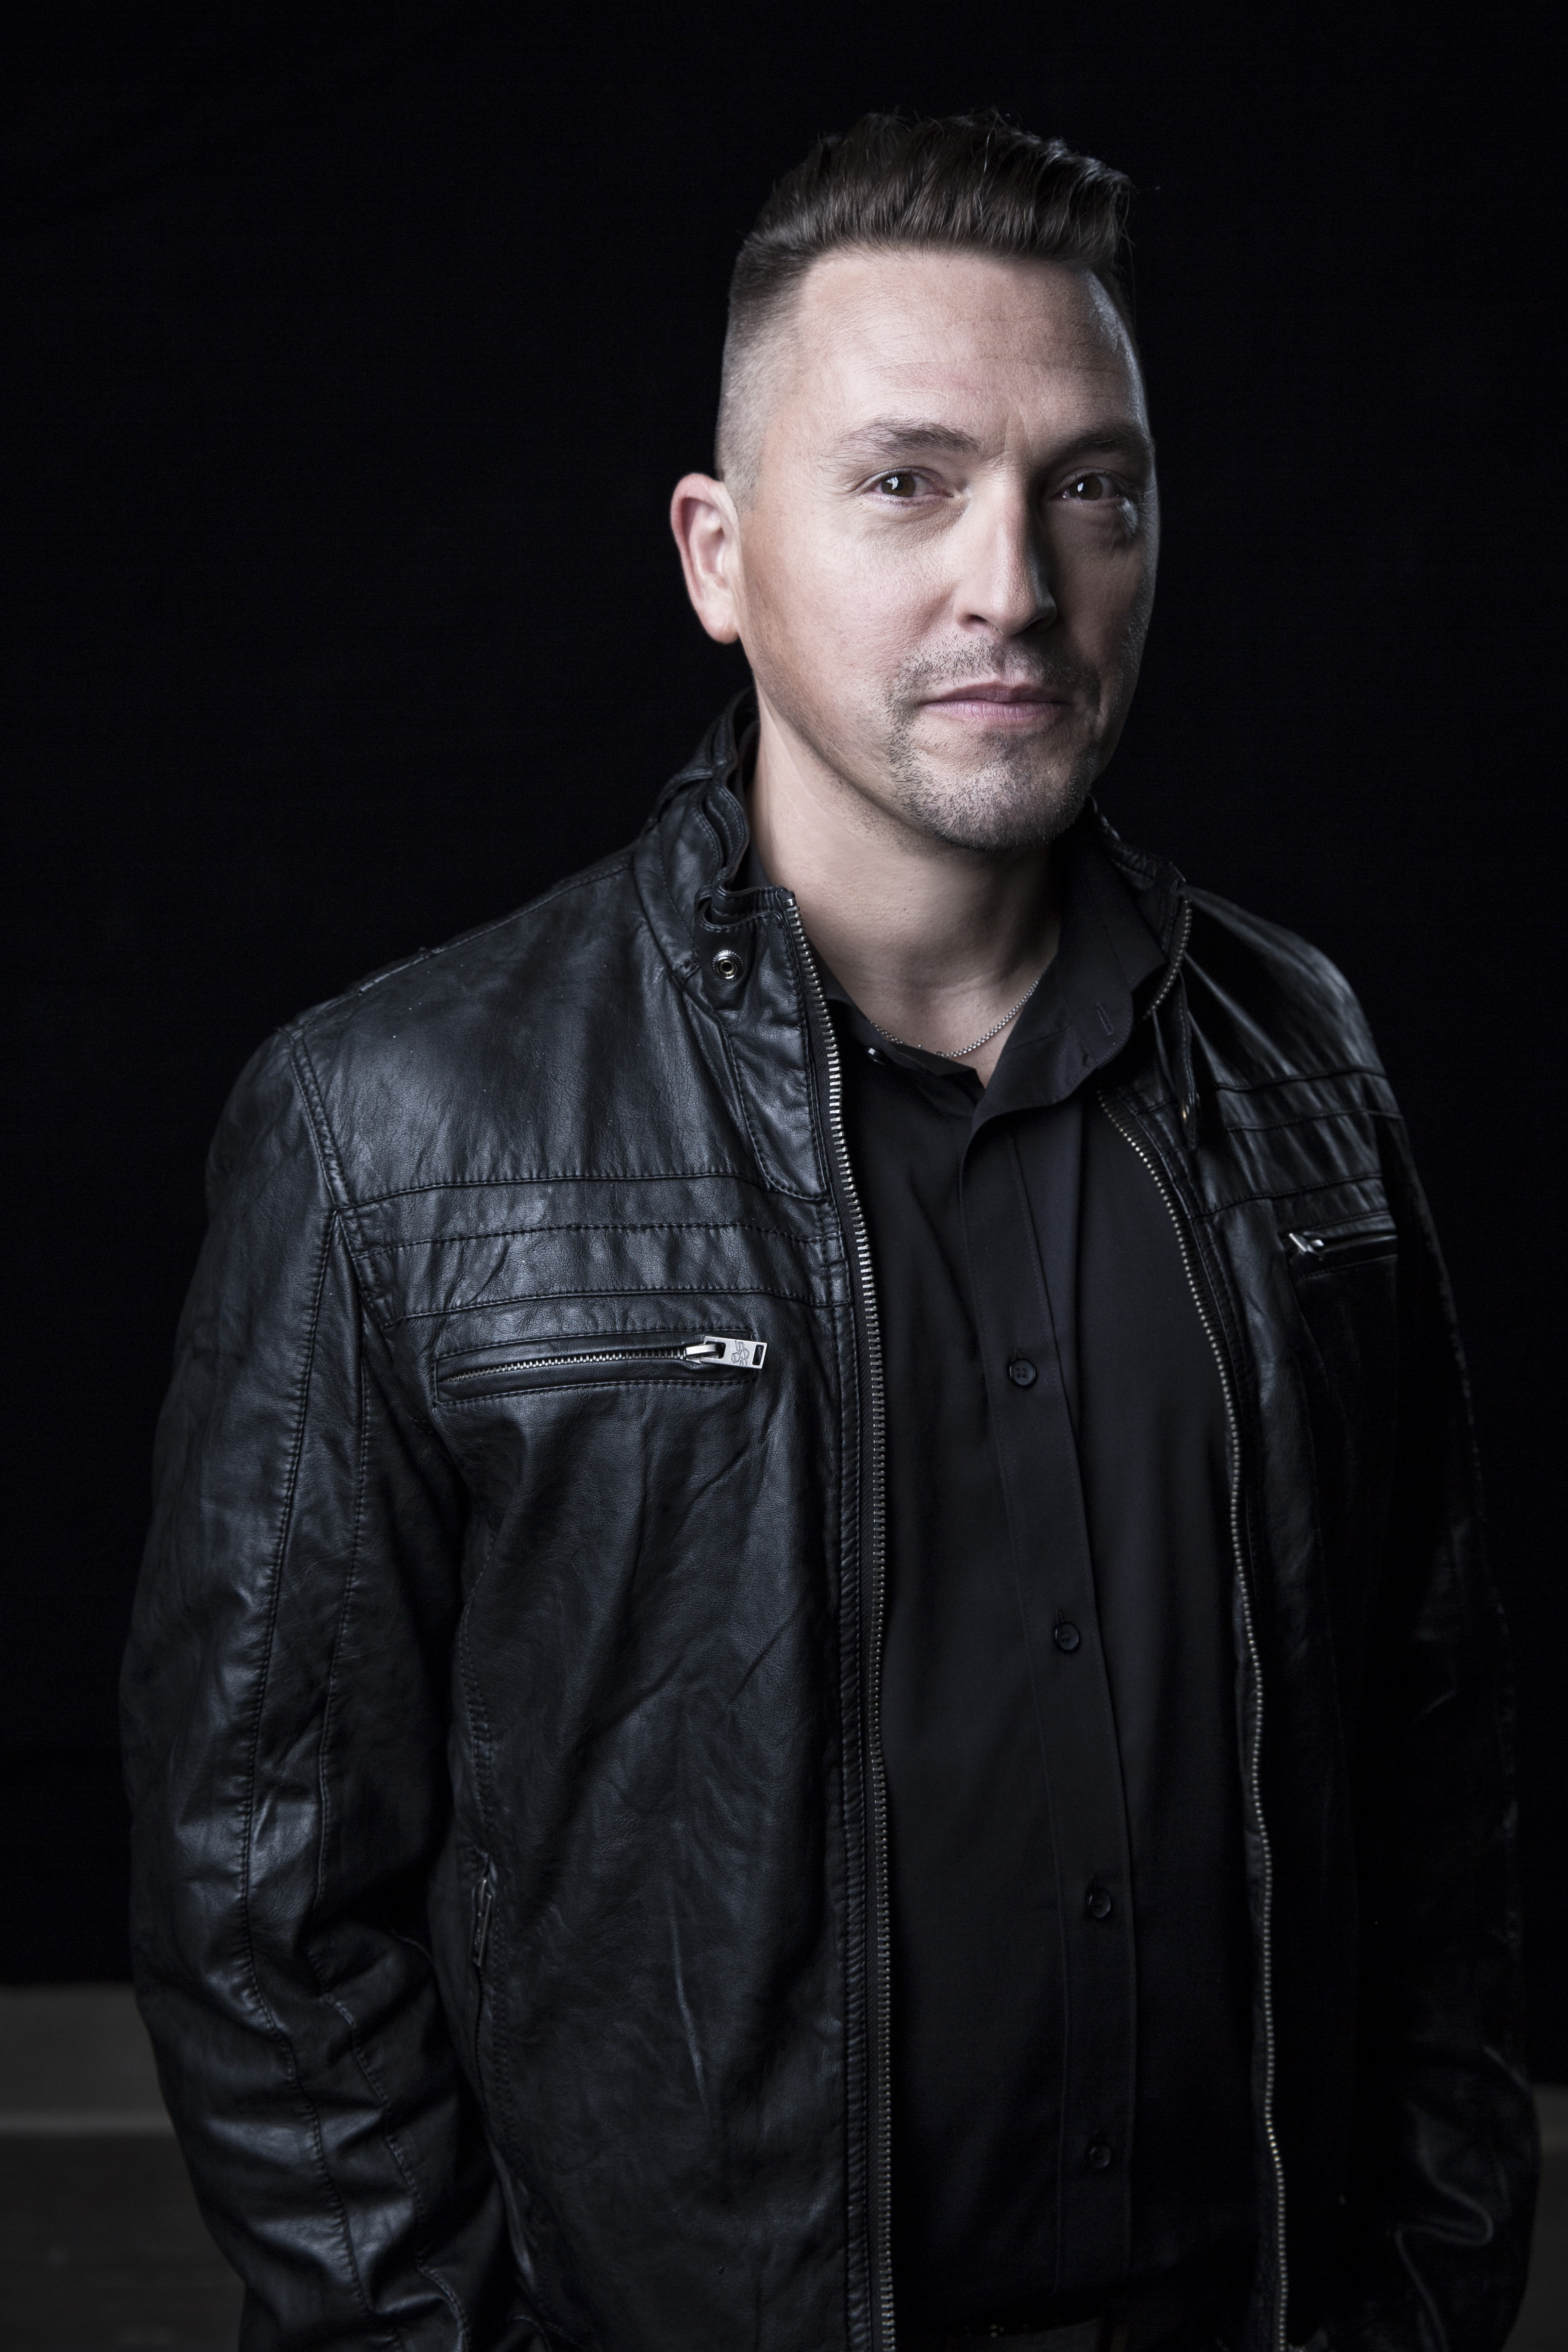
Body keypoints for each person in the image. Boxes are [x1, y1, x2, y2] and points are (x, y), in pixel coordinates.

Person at [122, 112, 1537, 2352]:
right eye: (905, 481)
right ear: (717, 552)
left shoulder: (1304, 1056)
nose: (1014, 583)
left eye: (1091, 487)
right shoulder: (389, 1125)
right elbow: (265, 1909)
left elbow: (1436, 1786)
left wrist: (1428, 2299)